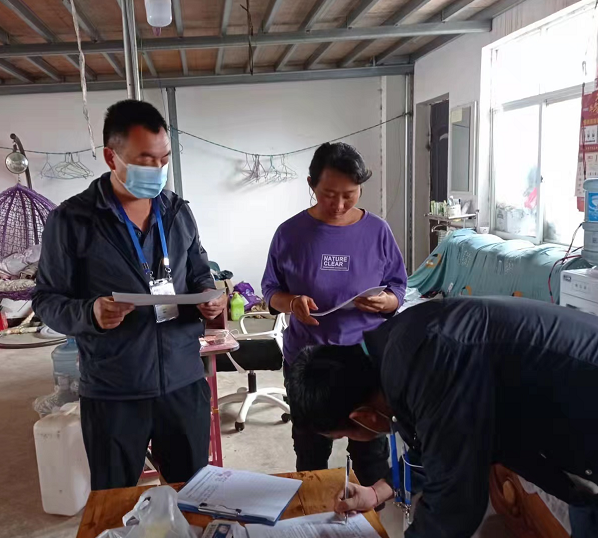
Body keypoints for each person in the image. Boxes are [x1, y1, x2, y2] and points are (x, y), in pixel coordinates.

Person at [33, 99, 226, 490]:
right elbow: (46, 301)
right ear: (112, 157)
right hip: (114, 390)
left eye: (164, 158)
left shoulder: (177, 212)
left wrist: (209, 295)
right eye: (145, 160)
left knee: (193, 495)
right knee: (115, 499)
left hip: (183, 380)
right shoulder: (72, 221)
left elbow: (200, 272)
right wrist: (90, 312)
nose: (158, 169)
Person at [287, 296, 598, 538]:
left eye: (344, 435)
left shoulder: (430, 361)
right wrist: (376, 491)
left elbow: (453, 504)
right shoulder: (394, 353)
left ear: (363, 418)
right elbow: (439, 446)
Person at [261, 142, 407, 488]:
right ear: (311, 184)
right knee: (311, 449)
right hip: (308, 363)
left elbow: (398, 287)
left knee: (370, 453)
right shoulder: (290, 233)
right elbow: (270, 291)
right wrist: (291, 303)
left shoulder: (377, 231)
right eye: (329, 194)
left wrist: (387, 302)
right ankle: (312, 511)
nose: (339, 205)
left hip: (364, 360)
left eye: (349, 195)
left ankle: (371, 508)